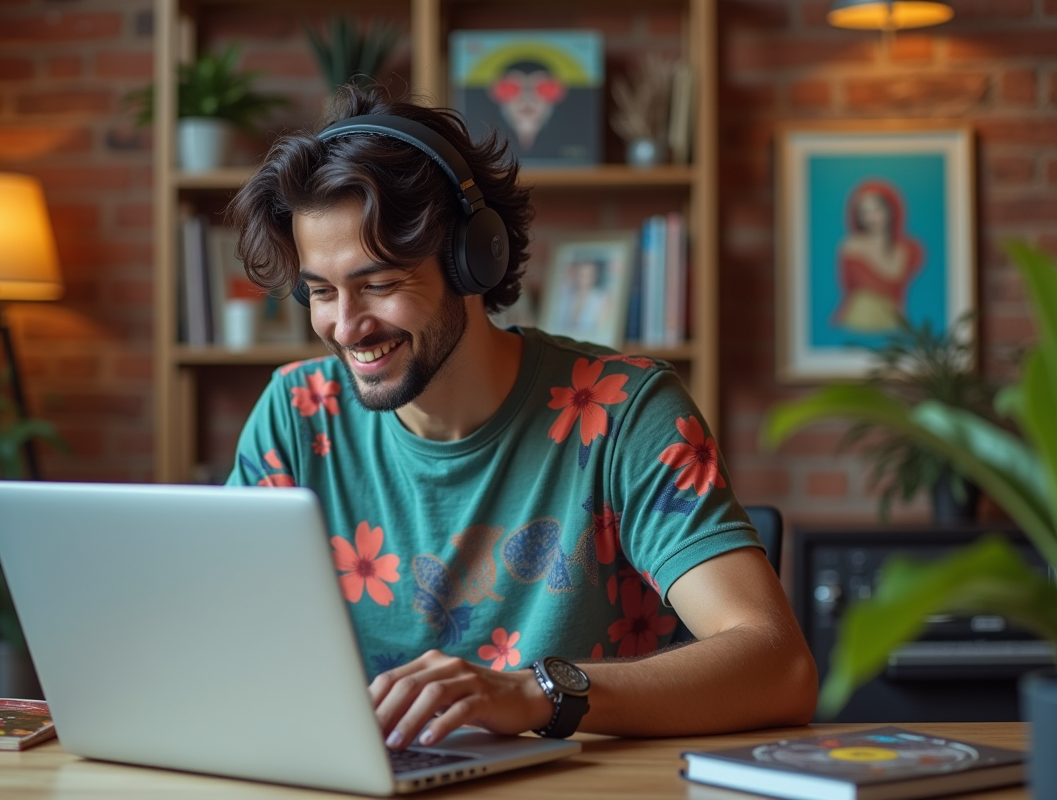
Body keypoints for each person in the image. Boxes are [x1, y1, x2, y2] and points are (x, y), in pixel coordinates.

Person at [224, 85, 817, 750]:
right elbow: (217, 642)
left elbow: (778, 666)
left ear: (473, 259)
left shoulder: (626, 411)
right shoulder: (297, 412)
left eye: (381, 284)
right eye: (321, 293)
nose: (346, 326)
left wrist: (536, 693)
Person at [834, 181, 923, 333]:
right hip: (860, 320)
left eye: (877, 209)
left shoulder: (909, 250)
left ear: (891, 210)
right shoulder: (851, 246)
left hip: (895, 322)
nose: (871, 217)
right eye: (864, 212)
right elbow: (846, 287)